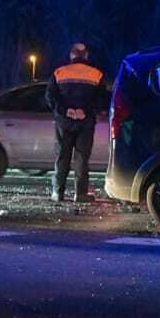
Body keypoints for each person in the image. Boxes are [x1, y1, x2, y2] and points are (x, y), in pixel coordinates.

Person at [46, 42, 109, 203]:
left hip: (64, 122)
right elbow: (101, 99)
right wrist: (85, 111)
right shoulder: (96, 74)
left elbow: (50, 96)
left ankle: (58, 192)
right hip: (85, 122)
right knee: (81, 158)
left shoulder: (60, 72)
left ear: (72, 55)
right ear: (86, 55)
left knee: (62, 156)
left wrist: (65, 110)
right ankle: (80, 194)